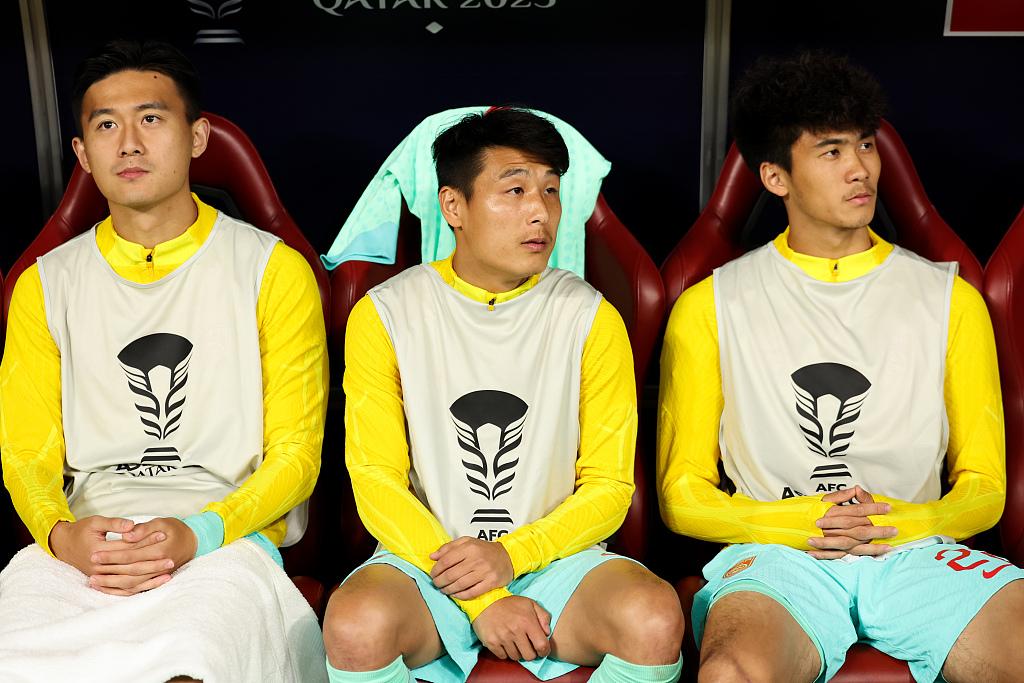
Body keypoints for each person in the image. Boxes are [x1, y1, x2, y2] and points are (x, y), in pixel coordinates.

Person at [657, 51, 1024, 682]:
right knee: (730, 674)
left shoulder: (951, 300)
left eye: (865, 145)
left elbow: (985, 487)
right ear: (775, 177)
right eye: (831, 151)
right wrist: (807, 522)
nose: (860, 168)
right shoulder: (710, 306)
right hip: (779, 555)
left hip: (915, 551)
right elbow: (681, 497)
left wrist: (900, 521)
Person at [0, 39, 328, 682]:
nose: (128, 144)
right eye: (106, 126)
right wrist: (61, 535)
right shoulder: (44, 284)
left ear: (197, 136)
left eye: (151, 119)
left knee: (189, 667)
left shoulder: (272, 270)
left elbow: (296, 455)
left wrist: (200, 531)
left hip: (224, 539)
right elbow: (27, 453)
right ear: (82, 154)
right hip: (85, 542)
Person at [325, 107, 684, 683]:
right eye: (514, 190)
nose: (539, 212)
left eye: (551, 191)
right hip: (426, 560)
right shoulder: (385, 313)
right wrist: (484, 598)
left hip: (557, 560)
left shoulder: (591, 316)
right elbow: (375, 480)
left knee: (653, 617)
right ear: (453, 206)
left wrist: (512, 556)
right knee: (354, 625)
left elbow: (610, 487)